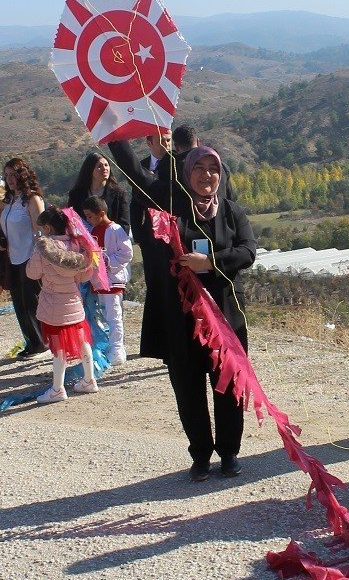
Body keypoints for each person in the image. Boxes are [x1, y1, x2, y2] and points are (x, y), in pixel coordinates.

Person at [108, 136, 257, 481]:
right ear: (187, 172)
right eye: (200, 168)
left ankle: (229, 452)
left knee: (229, 387)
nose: (207, 175)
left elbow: (248, 250)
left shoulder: (231, 211)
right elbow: (134, 172)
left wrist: (210, 263)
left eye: (214, 169)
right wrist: (115, 132)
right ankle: (201, 455)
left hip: (225, 321)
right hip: (182, 320)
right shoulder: (171, 204)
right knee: (189, 391)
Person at [26, 207, 98, 403]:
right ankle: (89, 379)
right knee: (83, 341)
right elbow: (85, 275)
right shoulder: (78, 246)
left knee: (58, 348)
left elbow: (31, 273)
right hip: (74, 301)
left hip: (52, 304)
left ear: (48, 227)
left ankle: (57, 389)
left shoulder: (43, 248)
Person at [128, 131, 172, 360]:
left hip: (173, 239)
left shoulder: (177, 164)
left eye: (169, 140)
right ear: (149, 142)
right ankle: (157, 344)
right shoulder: (141, 167)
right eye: (162, 141)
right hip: (151, 241)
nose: (166, 145)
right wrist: (140, 237)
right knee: (155, 288)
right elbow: (135, 206)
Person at [0, 157, 47, 358]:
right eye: (7, 175)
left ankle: (42, 342)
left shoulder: (32, 199)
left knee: (32, 302)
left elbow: (41, 231)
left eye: (13, 175)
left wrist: (39, 258)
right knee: (19, 303)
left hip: (30, 257)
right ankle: (31, 341)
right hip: (13, 258)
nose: (10, 179)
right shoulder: (10, 201)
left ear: (22, 175)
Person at [83, 195, 133, 366]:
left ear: (101, 213)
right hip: (98, 281)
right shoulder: (92, 231)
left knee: (114, 316)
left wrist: (107, 261)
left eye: (90, 216)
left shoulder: (116, 230)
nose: (88, 219)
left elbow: (127, 253)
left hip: (112, 281)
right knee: (103, 316)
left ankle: (118, 349)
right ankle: (108, 347)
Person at [68, 152, 130, 234]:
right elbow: (71, 221)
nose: (104, 169)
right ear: (90, 170)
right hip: (84, 243)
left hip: (111, 242)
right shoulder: (76, 195)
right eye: (99, 166)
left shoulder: (119, 194)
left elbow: (124, 225)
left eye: (106, 165)